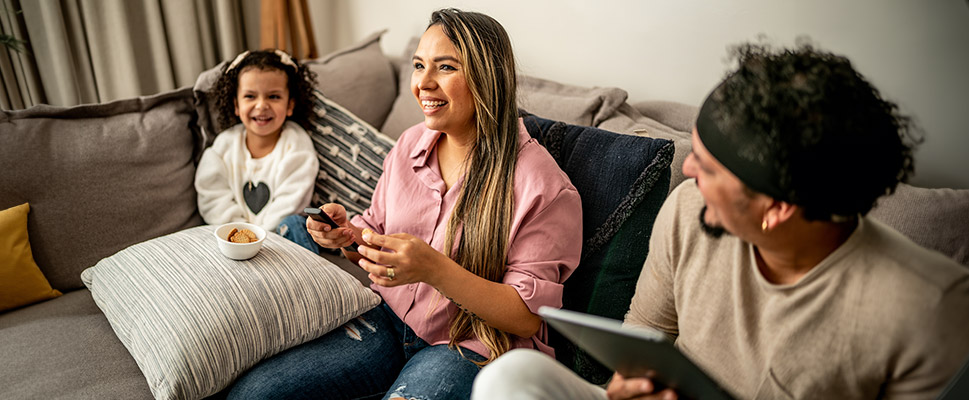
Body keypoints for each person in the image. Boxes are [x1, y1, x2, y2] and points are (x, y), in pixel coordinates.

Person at [470, 41, 969, 400]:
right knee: (509, 378)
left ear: (777, 209)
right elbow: (645, 335)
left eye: (707, 167)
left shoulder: (926, 307)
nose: (686, 168)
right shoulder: (690, 210)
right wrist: (631, 384)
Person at [226, 8, 582, 400]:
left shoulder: (543, 187)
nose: (423, 84)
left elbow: (527, 318)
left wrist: (434, 269)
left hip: (470, 346)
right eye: (418, 65)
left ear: (487, 76)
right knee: (255, 394)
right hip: (389, 321)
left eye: (445, 67)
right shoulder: (410, 144)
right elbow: (376, 233)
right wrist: (348, 238)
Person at [195, 49, 319, 234]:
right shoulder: (224, 146)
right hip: (234, 237)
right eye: (250, 96)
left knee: (294, 223)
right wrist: (241, 233)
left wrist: (261, 237)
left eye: (274, 96)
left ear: (290, 105)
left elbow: (292, 199)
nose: (261, 105)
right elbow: (212, 196)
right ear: (236, 105)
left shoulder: (296, 144)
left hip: (281, 237)